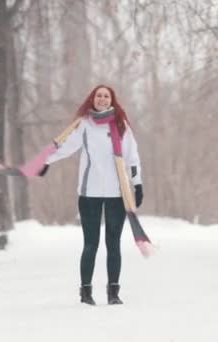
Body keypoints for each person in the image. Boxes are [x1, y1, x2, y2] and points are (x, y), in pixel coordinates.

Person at [40, 85, 143, 305]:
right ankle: (86, 292)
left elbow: (132, 156)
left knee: (113, 244)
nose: (103, 99)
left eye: (107, 96)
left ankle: (113, 292)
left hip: (117, 193)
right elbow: (66, 147)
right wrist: (46, 161)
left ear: (112, 100)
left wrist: (138, 183)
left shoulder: (120, 125)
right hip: (89, 194)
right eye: (99, 96)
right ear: (93, 99)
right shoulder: (84, 125)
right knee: (91, 244)